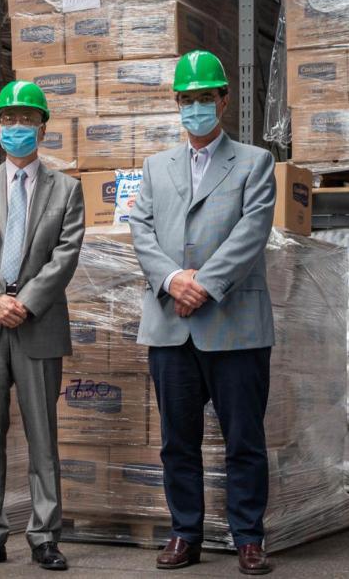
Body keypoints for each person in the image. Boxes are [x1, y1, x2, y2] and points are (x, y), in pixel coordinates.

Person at [128, 50, 276, 576]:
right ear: (177, 104)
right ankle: (184, 532)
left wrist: (205, 285)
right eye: (186, 100)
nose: (195, 108)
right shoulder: (155, 166)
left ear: (224, 100)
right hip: (171, 325)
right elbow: (140, 230)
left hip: (234, 324)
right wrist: (172, 280)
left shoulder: (255, 163)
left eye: (204, 98)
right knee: (177, 440)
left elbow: (252, 233)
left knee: (244, 439)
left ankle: (248, 537)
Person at [0, 80, 85, 572]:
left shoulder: (67, 190)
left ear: (42, 127)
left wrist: (24, 302)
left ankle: (45, 535)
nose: (16, 127)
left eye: (26, 119)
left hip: (38, 324)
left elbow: (66, 253)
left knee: (42, 436)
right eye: (8, 119)